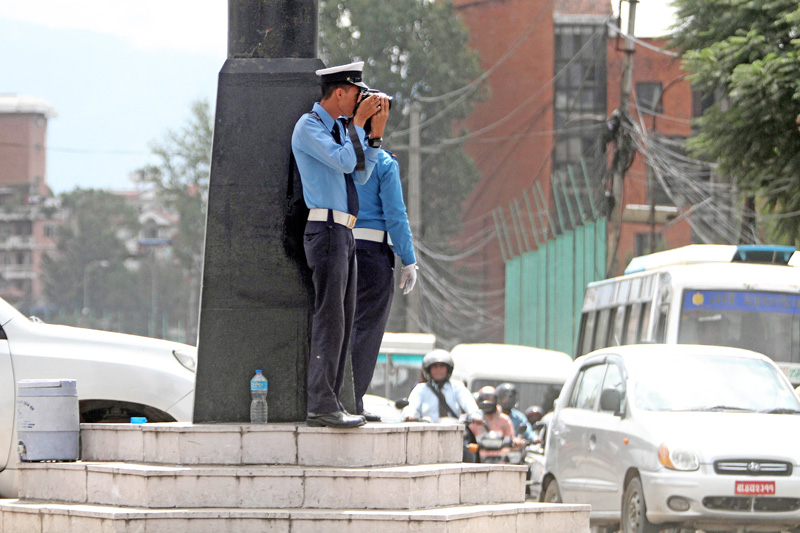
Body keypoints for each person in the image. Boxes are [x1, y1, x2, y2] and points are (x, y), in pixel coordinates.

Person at [291, 61, 390, 428]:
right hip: (326, 230)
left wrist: (373, 136)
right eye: (356, 95)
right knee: (330, 319)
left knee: (344, 321)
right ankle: (320, 403)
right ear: (339, 92)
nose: (359, 102)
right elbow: (347, 164)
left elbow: (362, 173)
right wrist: (359, 126)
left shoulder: (340, 130)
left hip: (344, 232)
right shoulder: (310, 127)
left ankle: (337, 399)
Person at [350, 145, 418, 422]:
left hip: (337, 245)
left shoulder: (336, 154)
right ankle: (352, 398)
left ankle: (329, 395)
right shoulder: (384, 163)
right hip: (372, 252)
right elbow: (395, 214)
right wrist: (408, 258)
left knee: (336, 326)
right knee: (367, 329)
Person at [402, 349, 481, 422]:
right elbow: (412, 406)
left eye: (442, 366)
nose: (438, 370)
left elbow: (467, 401)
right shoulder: (421, 388)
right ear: (428, 369)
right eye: (435, 367)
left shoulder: (457, 387)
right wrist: (409, 415)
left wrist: (475, 415)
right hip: (427, 430)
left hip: (455, 429)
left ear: (448, 369)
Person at [468, 386, 516, 461]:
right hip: (479, 461)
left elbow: (511, 439)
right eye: (485, 399)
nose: (487, 402)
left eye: (491, 399)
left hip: (501, 460)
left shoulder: (504, 420)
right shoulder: (475, 420)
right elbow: (469, 442)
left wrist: (515, 442)